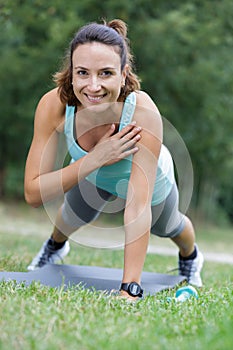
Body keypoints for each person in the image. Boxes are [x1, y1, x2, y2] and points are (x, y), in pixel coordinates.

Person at [24, 19, 204, 300]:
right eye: (83, 72)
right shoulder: (54, 105)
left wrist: (129, 288)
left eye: (106, 73)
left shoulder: (143, 113)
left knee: (168, 226)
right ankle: (55, 247)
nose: (93, 87)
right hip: (95, 172)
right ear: (72, 73)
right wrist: (94, 159)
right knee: (72, 214)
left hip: (150, 181)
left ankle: (191, 257)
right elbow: (33, 194)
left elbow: (137, 206)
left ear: (123, 74)